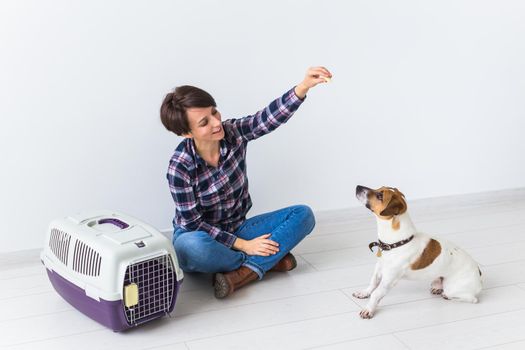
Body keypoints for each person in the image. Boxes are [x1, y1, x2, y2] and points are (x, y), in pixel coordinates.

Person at [160, 66, 332, 298]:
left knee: (304, 215)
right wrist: (243, 245)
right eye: (204, 122)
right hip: (202, 237)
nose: (216, 123)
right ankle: (261, 264)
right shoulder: (179, 166)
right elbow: (193, 224)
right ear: (186, 133)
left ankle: (241, 272)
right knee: (192, 247)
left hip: (238, 226)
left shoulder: (233, 133)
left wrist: (302, 87)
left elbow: (265, 119)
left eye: (214, 112)